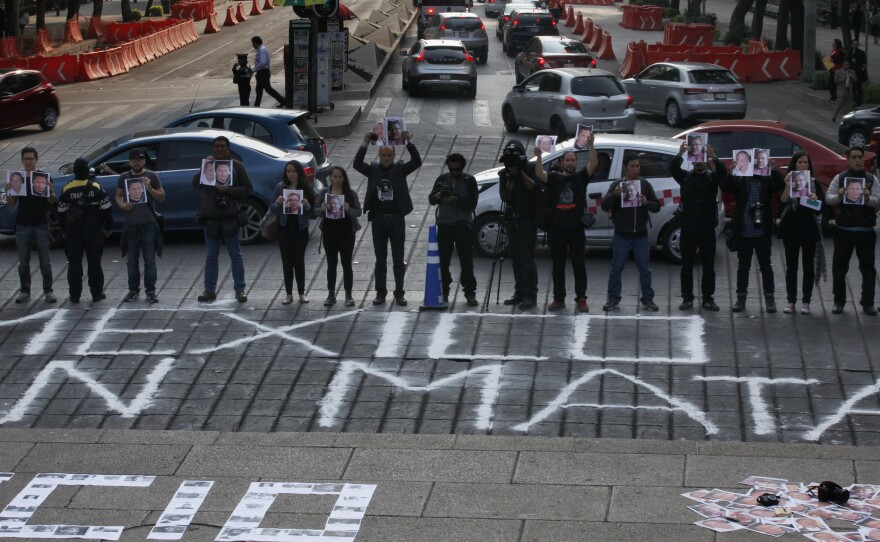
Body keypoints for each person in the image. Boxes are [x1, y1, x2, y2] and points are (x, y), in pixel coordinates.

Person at [354, 129, 421, 307]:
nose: (385, 159)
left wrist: (409, 142)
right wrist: (365, 144)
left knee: (398, 259)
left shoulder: (400, 169)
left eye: (389, 155)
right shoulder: (373, 170)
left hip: (397, 218)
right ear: (379, 156)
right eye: (383, 155)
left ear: (393, 155)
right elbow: (357, 164)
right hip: (378, 219)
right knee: (380, 259)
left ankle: (399, 293)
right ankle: (380, 293)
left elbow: (416, 162)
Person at [533, 141, 594, 313]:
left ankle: (581, 298)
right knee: (558, 266)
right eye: (567, 160)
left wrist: (592, 147)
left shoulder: (581, 177)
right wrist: (538, 156)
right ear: (562, 163)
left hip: (576, 231)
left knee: (579, 266)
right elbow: (539, 173)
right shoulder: (554, 178)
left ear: (576, 162)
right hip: (557, 230)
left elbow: (594, 164)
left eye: (573, 160)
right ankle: (559, 299)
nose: (570, 163)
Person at [721, 150, 785, 313]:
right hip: (744, 231)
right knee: (743, 267)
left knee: (766, 267)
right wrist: (730, 173)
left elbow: (779, 186)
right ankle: (740, 299)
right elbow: (726, 187)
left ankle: (769, 299)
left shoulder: (765, 179)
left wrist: (775, 170)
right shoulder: (741, 179)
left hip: (762, 232)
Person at [192, 136, 253, 303]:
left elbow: (248, 189)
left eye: (222, 146)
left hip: (230, 217)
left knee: (236, 255)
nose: (219, 149)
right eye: (216, 146)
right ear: (213, 148)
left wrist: (228, 190)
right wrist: (205, 167)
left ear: (228, 148)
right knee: (211, 256)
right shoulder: (208, 165)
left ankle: (240, 289)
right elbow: (195, 184)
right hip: (211, 217)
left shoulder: (236, 167)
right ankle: (209, 289)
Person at [670, 141, 727, 311]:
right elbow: (673, 169)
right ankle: (687, 298)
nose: (699, 163)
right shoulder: (685, 177)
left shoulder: (711, 178)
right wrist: (679, 154)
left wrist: (713, 157)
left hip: (707, 228)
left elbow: (723, 173)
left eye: (702, 160)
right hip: (688, 228)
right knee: (686, 266)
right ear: (693, 161)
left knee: (708, 266)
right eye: (697, 160)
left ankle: (708, 298)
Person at [601, 155, 661, 311]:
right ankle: (613, 298)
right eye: (632, 166)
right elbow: (604, 205)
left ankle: (647, 298)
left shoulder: (645, 184)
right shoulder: (617, 185)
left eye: (638, 166)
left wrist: (646, 202)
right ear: (625, 167)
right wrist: (614, 195)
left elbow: (656, 206)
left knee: (645, 269)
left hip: (640, 234)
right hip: (622, 234)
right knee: (617, 268)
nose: (636, 169)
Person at [825, 146, 879, 315]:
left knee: (868, 269)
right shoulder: (840, 178)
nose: (857, 160)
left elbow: (878, 201)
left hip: (865, 230)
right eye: (854, 157)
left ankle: (867, 302)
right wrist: (839, 196)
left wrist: (869, 198)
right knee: (840, 268)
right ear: (847, 159)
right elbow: (829, 199)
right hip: (844, 230)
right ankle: (839, 301)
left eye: (860, 157)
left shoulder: (871, 179)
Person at [57, 158, 113, 303]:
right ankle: (96, 293)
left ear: (74, 172)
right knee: (94, 263)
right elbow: (107, 209)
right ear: (88, 171)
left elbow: (61, 212)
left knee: (74, 264)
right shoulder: (96, 187)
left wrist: (63, 229)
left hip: (73, 233)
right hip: (93, 231)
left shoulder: (67, 188)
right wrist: (108, 227)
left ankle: (75, 295)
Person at [428, 153, 479, 307]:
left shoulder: (469, 181)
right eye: (452, 170)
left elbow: (472, 203)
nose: (455, 173)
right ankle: (444, 291)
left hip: (463, 225)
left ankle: (470, 292)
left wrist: (456, 199)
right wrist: (438, 196)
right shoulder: (441, 180)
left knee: (467, 262)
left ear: (462, 168)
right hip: (444, 225)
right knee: (443, 262)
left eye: (458, 170)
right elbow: (431, 200)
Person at [116, 148, 164, 304]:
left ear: (144, 161)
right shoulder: (124, 177)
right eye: (134, 159)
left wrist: (149, 188)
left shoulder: (151, 176)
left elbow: (162, 196)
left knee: (150, 260)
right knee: (131, 261)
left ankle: (151, 291)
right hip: (131, 225)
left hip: (148, 223)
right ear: (130, 161)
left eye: (140, 159)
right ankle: (133, 290)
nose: (137, 162)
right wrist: (122, 205)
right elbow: (118, 194)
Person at [9, 147, 56, 304]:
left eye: (31, 159)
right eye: (25, 159)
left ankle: (48, 291)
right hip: (22, 225)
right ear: (22, 161)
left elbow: (52, 201)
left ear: (36, 160)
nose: (28, 162)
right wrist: (8, 191)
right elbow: (12, 203)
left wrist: (50, 190)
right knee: (23, 263)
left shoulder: (42, 177)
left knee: (45, 262)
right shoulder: (18, 178)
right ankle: (25, 290)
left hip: (41, 224)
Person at [778, 151, 823, 315]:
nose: (803, 165)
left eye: (806, 162)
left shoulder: (813, 183)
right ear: (794, 165)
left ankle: (806, 301)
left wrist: (813, 197)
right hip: (791, 229)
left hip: (809, 229)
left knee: (808, 266)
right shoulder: (789, 180)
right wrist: (788, 185)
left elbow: (820, 207)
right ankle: (791, 300)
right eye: (800, 162)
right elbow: (782, 201)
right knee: (791, 267)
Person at [499, 140, 541, 310]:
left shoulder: (530, 168)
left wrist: (519, 173)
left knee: (527, 259)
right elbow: (504, 197)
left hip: (527, 219)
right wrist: (510, 179)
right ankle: (519, 292)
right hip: (512, 218)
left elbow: (536, 188)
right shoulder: (504, 173)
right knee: (515, 258)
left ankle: (531, 295)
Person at [318, 166, 361, 307]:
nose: (337, 179)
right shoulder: (325, 192)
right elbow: (314, 210)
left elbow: (358, 212)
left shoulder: (350, 193)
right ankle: (331, 294)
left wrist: (348, 209)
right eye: (334, 176)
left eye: (340, 177)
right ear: (331, 178)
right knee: (331, 263)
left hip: (346, 232)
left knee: (346, 263)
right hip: (329, 232)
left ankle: (348, 294)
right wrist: (322, 209)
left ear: (344, 178)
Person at [272, 161, 314, 305]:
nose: (291, 174)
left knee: (299, 261)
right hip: (284, 229)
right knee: (287, 262)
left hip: (300, 229)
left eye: (293, 171)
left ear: (298, 173)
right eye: (288, 171)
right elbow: (272, 208)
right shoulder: (280, 187)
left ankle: (302, 292)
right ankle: (289, 293)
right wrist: (277, 203)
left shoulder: (305, 188)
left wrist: (307, 205)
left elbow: (314, 212)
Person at [251, 36, 286, 108]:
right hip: (261, 73)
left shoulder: (262, 50)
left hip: (263, 73)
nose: (252, 45)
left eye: (253, 43)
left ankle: (283, 101)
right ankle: (256, 106)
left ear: (256, 43)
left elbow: (262, 62)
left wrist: (253, 70)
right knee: (259, 90)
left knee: (268, 89)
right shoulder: (260, 49)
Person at [850, 39, 868, 107]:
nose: (855, 45)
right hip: (852, 72)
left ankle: (858, 102)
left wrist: (856, 61)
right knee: (853, 87)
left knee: (857, 87)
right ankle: (854, 100)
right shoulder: (851, 52)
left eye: (856, 44)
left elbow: (864, 63)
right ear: (851, 44)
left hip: (858, 73)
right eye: (854, 44)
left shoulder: (861, 52)